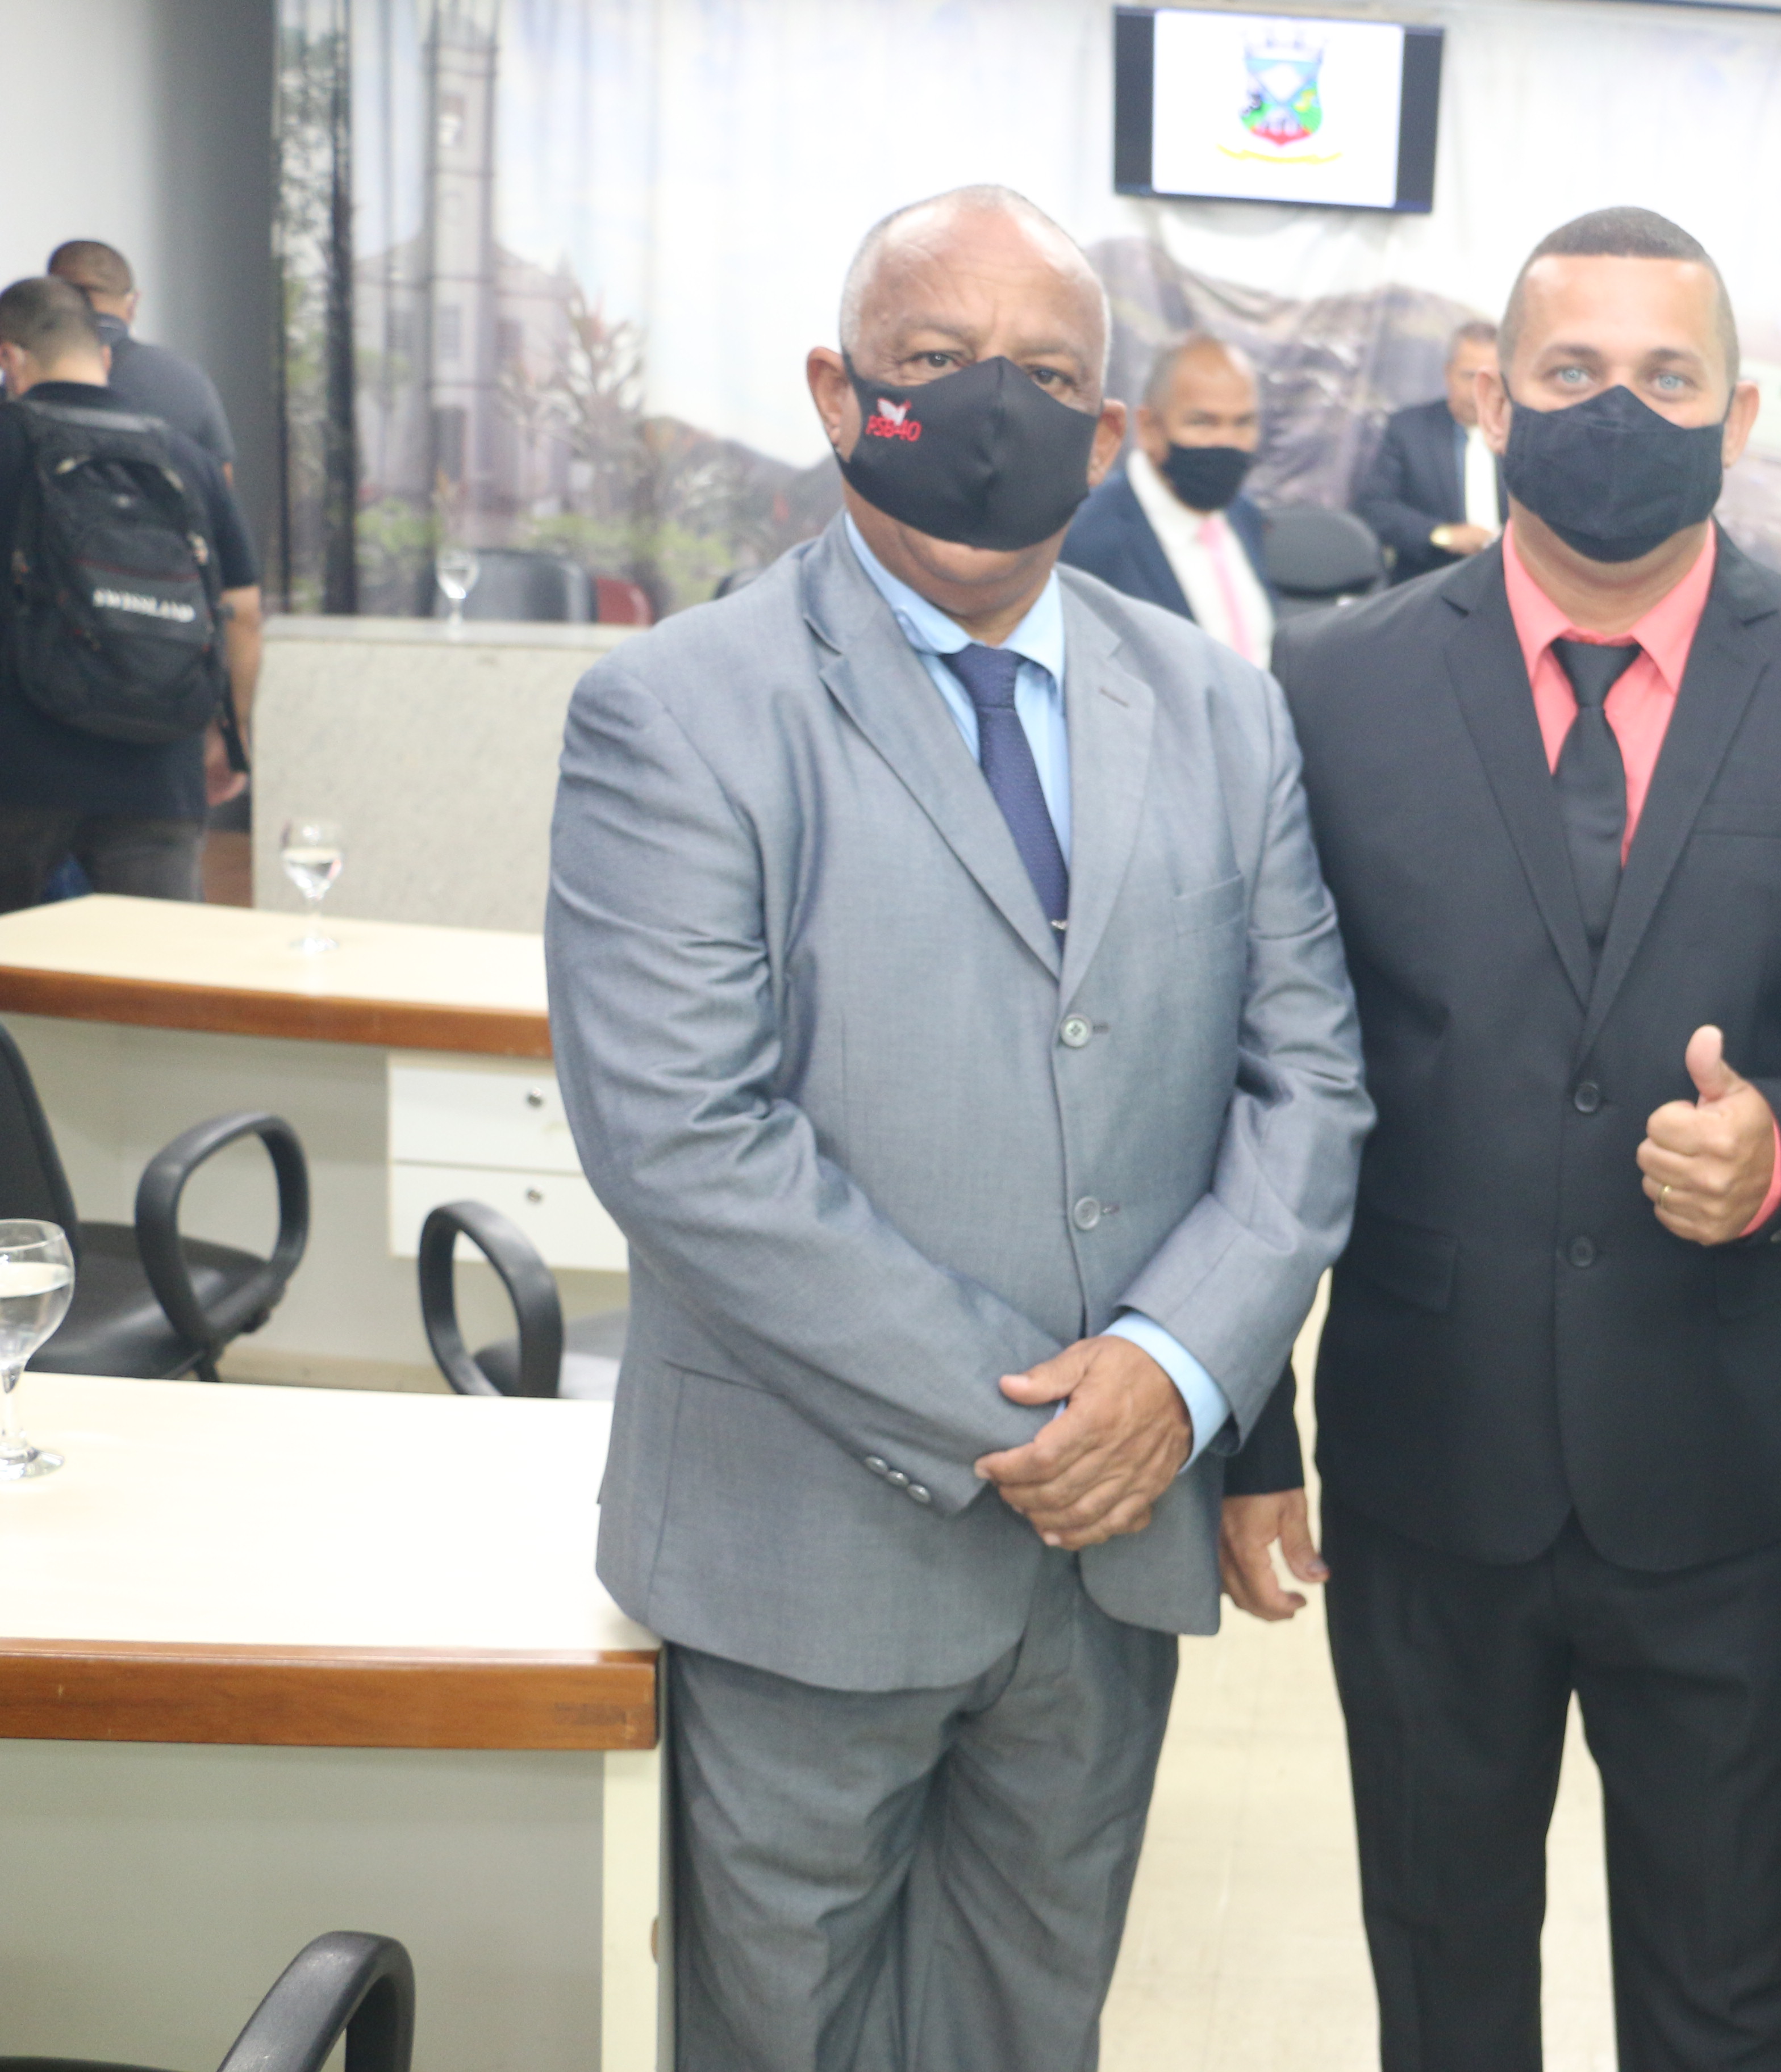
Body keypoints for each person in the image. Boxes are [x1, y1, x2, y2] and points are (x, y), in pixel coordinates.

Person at [541, 186, 1369, 2072]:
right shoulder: (679, 711)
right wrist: (1046, 1428)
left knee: (1027, 2031)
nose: (992, 406)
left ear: (1107, 433)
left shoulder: (1224, 714)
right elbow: (684, 1139)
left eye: (1048, 378)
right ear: (839, 394)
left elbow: (1308, 1082)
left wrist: (1174, 1377)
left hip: (1110, 1566)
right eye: (934, 360)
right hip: (805, 1554)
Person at [1223, 207, 1781, 2072]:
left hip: (1732, 1486)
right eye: (1571, 373)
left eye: (1667, 376)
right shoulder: (1330, 687)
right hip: (1425, 1467)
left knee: (1728, 1996)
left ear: (1740, 417)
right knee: (1442, 1982)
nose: (1616, 411)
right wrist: (1247, 1424)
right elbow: (1247, 1070)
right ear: (1492, 398)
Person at [0, 275, 261, 910]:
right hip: (159, 768)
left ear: (10, 357)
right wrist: (229, 734)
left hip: (19, 770)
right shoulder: (186, 458)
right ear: (105, 357)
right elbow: (245, 614)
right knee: (155, 966)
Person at [1058, 331, 1274, 662]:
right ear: (1148, 427)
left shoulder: (1245, 516)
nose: (1226, 441)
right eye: (1203, 423)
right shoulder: (1085, 539)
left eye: (1243, 423)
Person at [45, 240, 237, 485]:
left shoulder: (27, 378)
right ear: (133, 303)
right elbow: (221, 484)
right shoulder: (188, 378)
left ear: (47, 299)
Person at [1353, 319, 1501, 583]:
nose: (1479, 391)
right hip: (1430, 579)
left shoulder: (1527, 433)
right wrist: (1442, 535)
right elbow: (1375, 507)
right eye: (1470, 377)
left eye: (1491, 379)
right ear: (1448, 374)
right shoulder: (1409, 430)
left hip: (1510, 580)